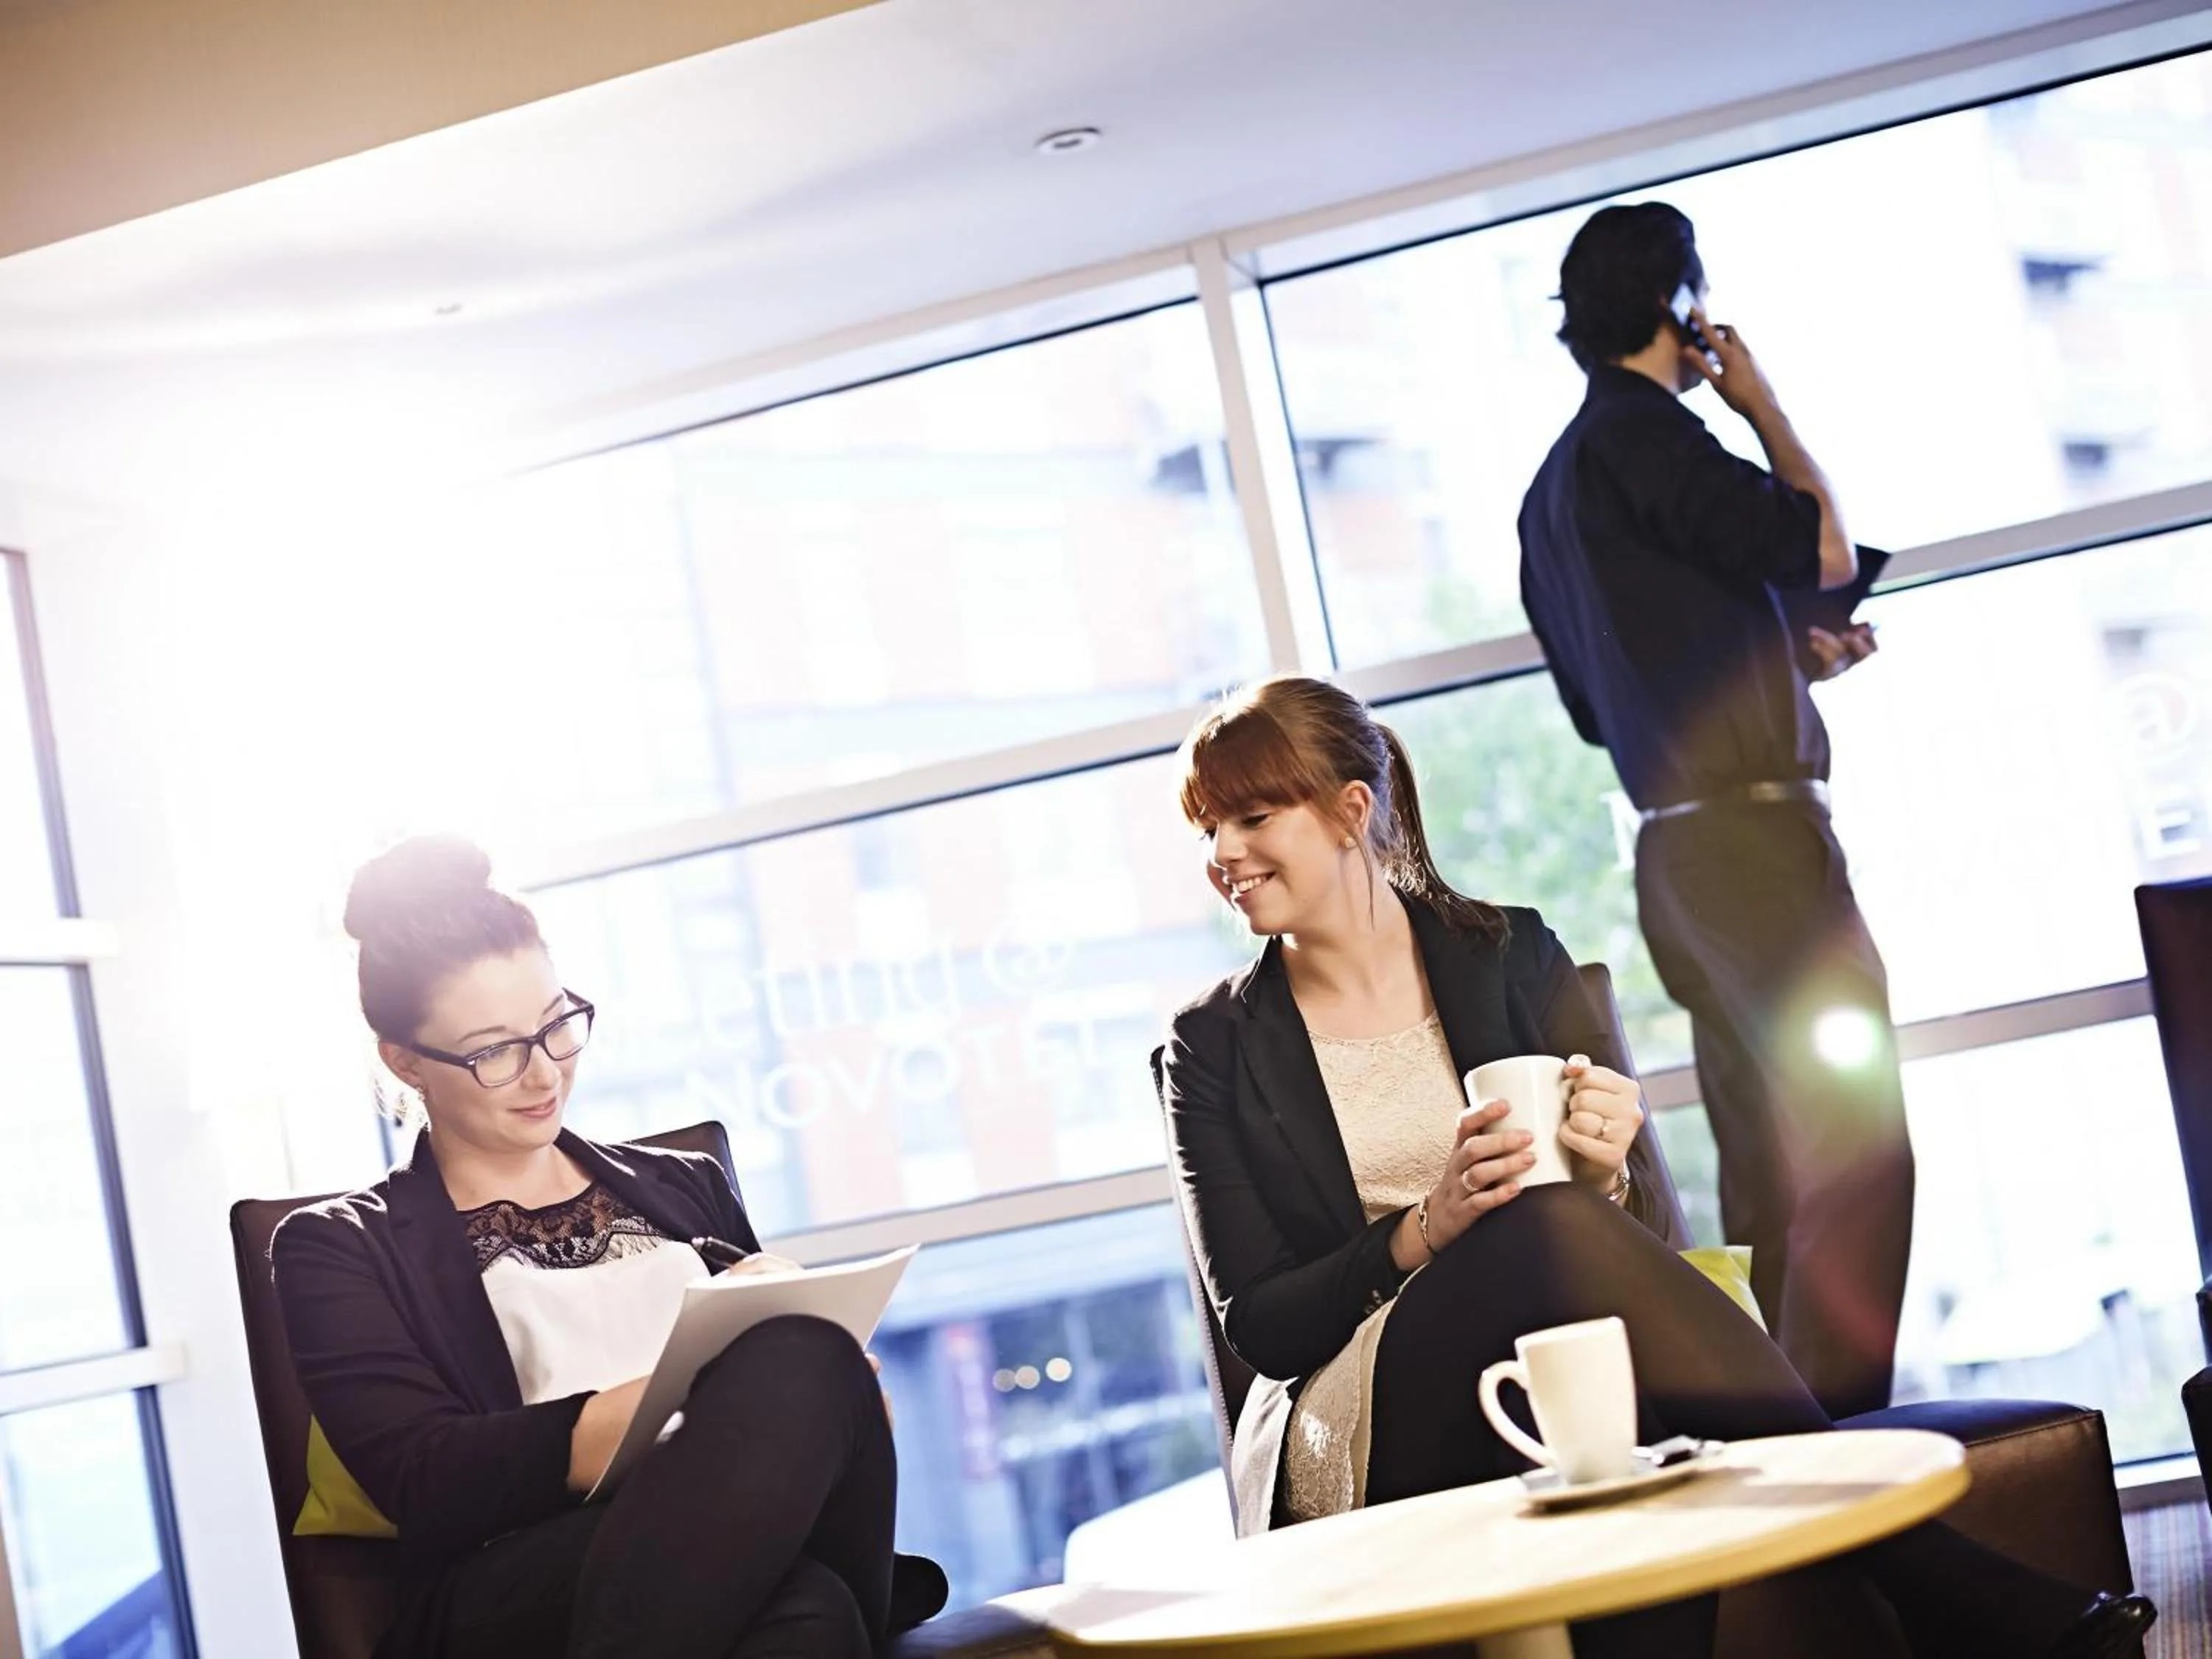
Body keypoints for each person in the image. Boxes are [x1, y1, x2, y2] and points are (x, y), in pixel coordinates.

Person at [1158, 676, 2152, 1659]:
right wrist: (1432, 1224)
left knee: (1579, 1285)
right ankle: (1932, 1576)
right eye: (1209, 828)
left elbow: (1625, 1240)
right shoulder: (1214, 1043)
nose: (1224, 855)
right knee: (1539, 1227)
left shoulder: (1510, 953)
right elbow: (1264, 1324)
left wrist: (1606, 1174)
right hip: (1359, 1412)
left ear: (1350, 811)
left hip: (1551, 1357)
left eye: (1251, 816)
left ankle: (1937, 1589)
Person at [271, 836, 946, 1659]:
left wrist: (821, 1386)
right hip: (521, 1588)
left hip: (766, 1543)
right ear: (405, 1059)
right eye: (495, 1051)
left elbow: (797, 1413)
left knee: (808, 1362)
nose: (544, 1073)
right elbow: (428, 1478)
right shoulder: (336, 1248)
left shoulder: (684, 1184)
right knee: (806, 1613)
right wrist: (694, 1391)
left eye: (557, 1026)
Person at [1517, 201, 1910, 1419]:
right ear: (1678, 307)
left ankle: (1789, 1424)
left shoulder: (1548, 500)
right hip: (1759, 851)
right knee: (1857, 1148)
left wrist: (1780, 657)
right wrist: (1761, 402)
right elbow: (1823, 548)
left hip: (1679, 863)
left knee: (1772, 1165)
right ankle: (1842, 1448)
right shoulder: (1658, 440)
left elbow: (1608, 702)